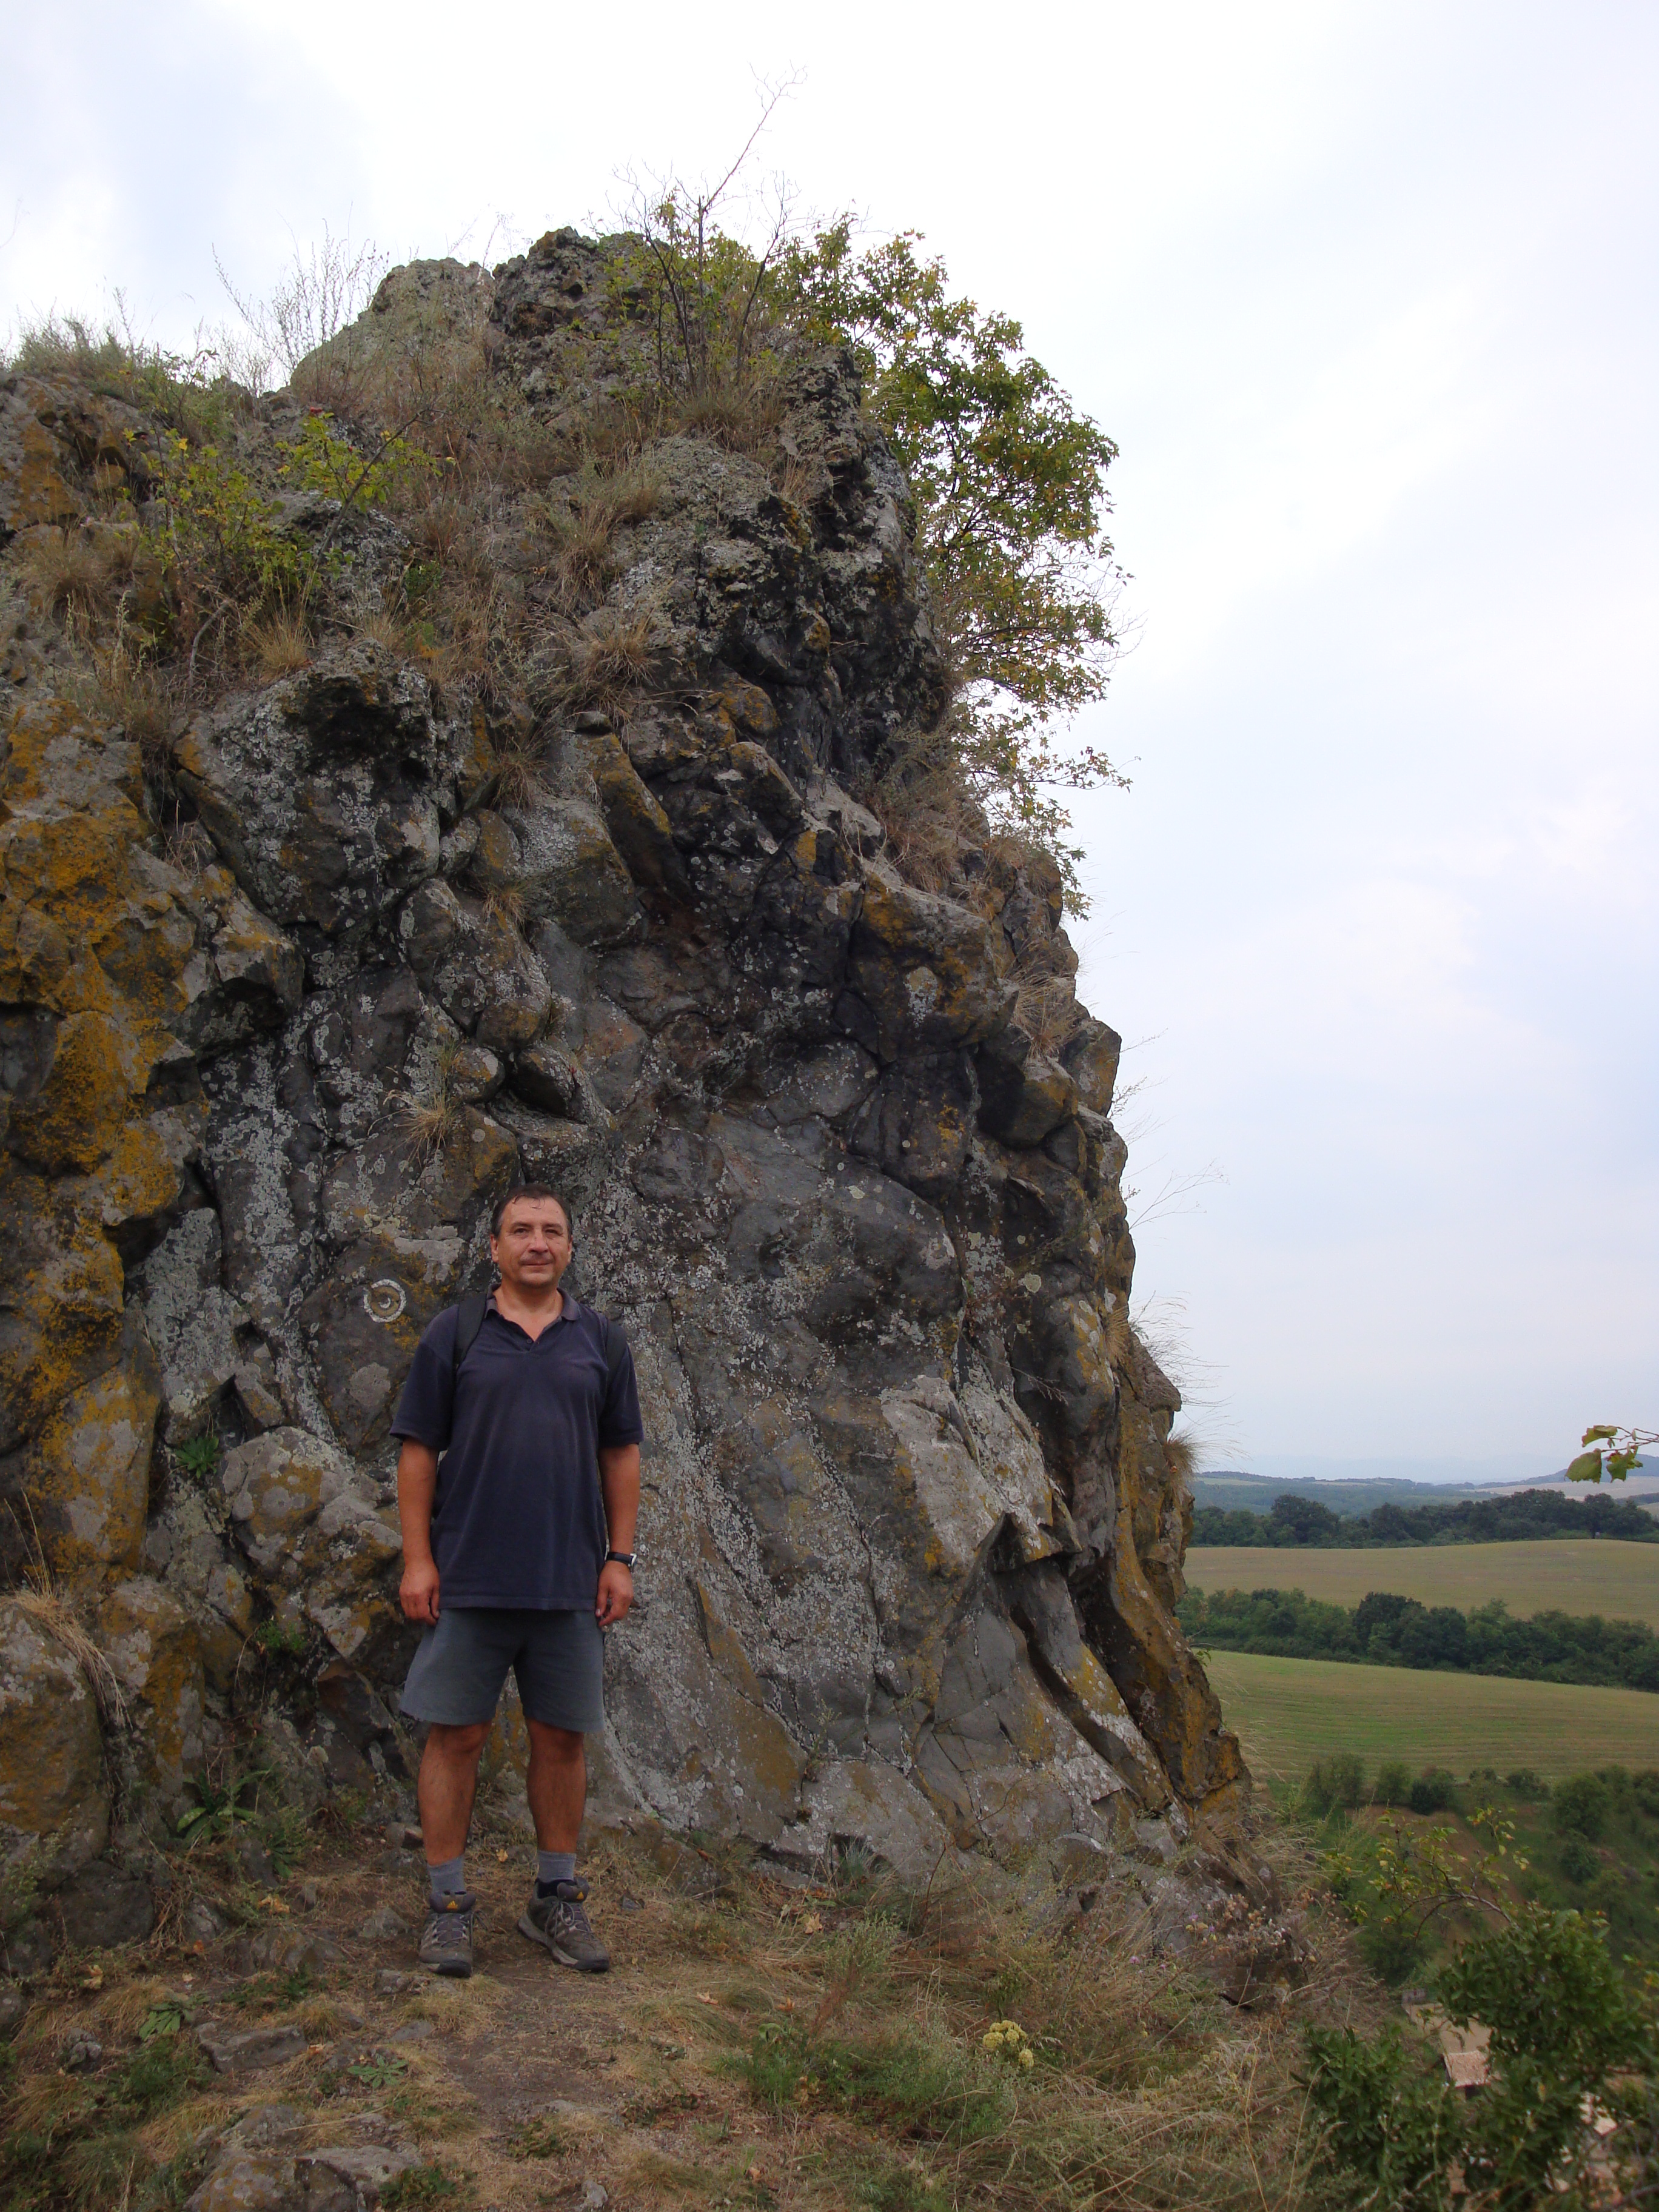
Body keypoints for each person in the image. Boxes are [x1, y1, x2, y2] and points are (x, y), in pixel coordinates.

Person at [390, 1183, 642, 1979]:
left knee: (561, 1740)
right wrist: (418, 1559)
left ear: (569, 1247)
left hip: (569, 1581)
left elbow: (621, 1454)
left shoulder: (600, 1340)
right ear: (494, 1247)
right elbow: (417, 1452)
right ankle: (447, 1907)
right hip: (468, 1577)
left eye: (552, 1231)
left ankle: (555, 1898)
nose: (538, 1243)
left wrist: (621, 1558)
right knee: (456, 1737)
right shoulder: (456, 1333)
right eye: (522, 1230)